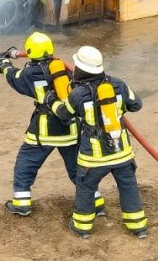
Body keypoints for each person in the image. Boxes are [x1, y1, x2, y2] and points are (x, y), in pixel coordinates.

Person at [0, 33, 105, 218]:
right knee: (78, 170)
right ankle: (96, 203)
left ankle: (21, 203)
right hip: (71, 130)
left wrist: (3, 64)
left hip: (45, 132)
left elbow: (15, 77)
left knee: (26, 163)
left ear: (30, 52)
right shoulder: (64, 69)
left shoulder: (30, 74)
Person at [50, 46, 148, 240]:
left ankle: (82, 227)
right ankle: (138, 227)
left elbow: (64, 114)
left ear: (80, 68)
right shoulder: (118, 84)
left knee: (85, 187)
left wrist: (52, 100)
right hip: (122, 153)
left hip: (93, 158)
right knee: (128, 186)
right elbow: (136, 104)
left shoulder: (78, 94)